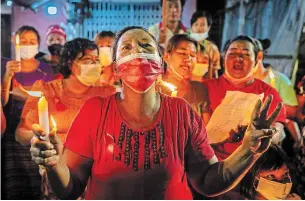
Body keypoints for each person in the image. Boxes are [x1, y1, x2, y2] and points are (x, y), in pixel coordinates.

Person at [30, 26, 282, 200]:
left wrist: (248, 150)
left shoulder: (181, 112)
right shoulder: (95, 110)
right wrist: (54, 164)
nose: (137, 52)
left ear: (161, 63)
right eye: (126, 48)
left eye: (144, 45)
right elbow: (70, 189)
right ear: (116, 69)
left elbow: (208, 181)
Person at [16, 38, 117, 199]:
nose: (94, 64)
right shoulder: (46, 91)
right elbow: (21, 134)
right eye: (87, 60)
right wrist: (44, 137)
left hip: (98, 172)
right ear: (71, 63)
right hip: (58, 168)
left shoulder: (108, 93)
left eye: (96, 60)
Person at [203, 35, 286, 161]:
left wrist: (265, 134)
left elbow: (277, 130)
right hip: (208, 161)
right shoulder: (204, 88)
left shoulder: (268, 92)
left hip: (249, 163)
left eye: (246, 54)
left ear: (257, 59)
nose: (239, 58)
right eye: (233, 53)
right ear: (223, 56)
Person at [1, 25, 54, 199]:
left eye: (32, 41)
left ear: (39, 44)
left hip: (36, 129)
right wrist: (7, 76)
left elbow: (52, 99)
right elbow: (2, 101)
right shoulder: (6, 66)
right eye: (23, 41)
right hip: (11, 128)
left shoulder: (47, 69)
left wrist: (26, 97)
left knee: (37, 177)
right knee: (16, 181)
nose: (27, 45)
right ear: (14, 43)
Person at [157, 34, 210, 124]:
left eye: (193, 55)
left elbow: (206, 129)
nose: (188, 59)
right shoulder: (154, 87)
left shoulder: (199, 89)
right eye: (182, 53)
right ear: (166, 56)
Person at [189, 10, 221, 80]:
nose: (199, 28)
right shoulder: (186, 45)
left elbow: (215, 72)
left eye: (203, 25)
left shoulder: (213, 48)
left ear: (209, 27)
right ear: (191, 27)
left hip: (206, 86)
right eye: (196, 24)